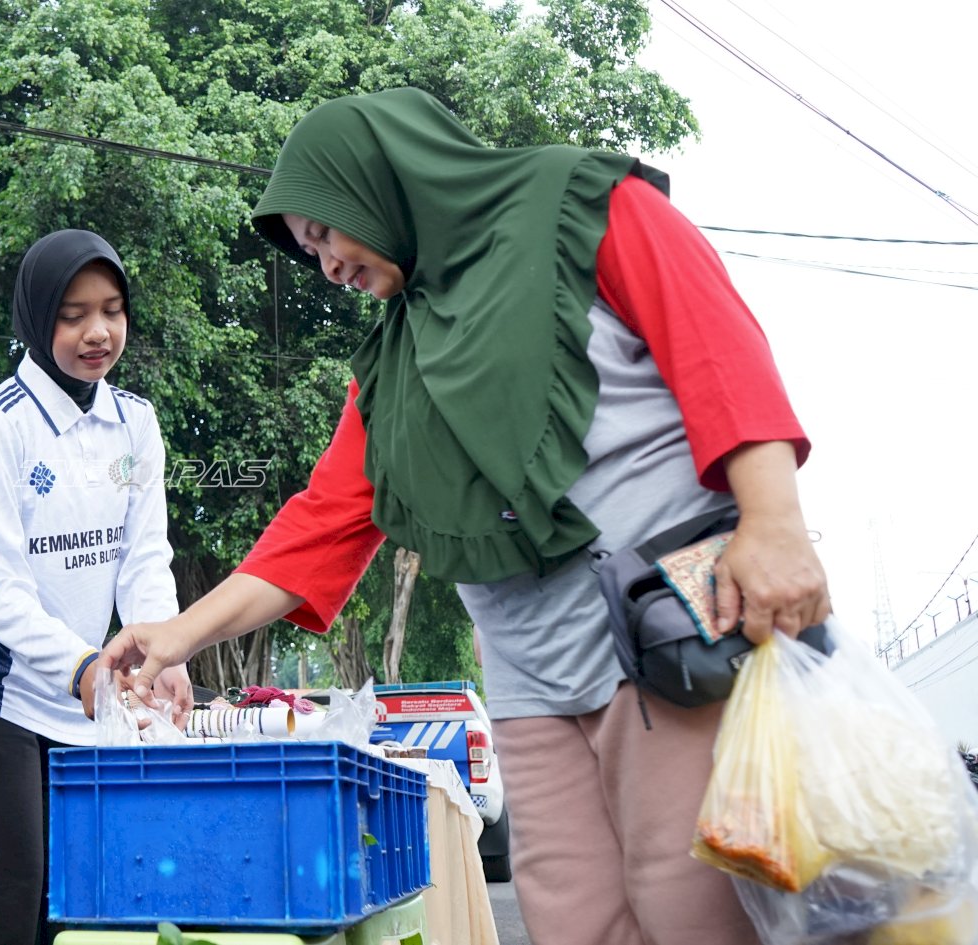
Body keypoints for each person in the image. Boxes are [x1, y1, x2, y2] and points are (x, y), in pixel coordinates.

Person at [97, 89, 829, 945]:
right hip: (530, 679)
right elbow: (324, 520)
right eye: (308, 252)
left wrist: (774, 521)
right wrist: (179, 633)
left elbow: (713, 342)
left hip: (664, 634)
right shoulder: (391, 368)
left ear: (374, 184)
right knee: (572, 916)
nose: (326, 266)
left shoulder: (581, 204)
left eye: (325, 233)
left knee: (693, 903)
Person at [0, 229, 190, 945]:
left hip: (80, 710)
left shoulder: (137, 423)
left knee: (76, 915)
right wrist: (85, 666)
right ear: (38, 318)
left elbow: (143, 559)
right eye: (72, 315)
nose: (98, 332)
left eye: (112, 309)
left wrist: (167, 652)